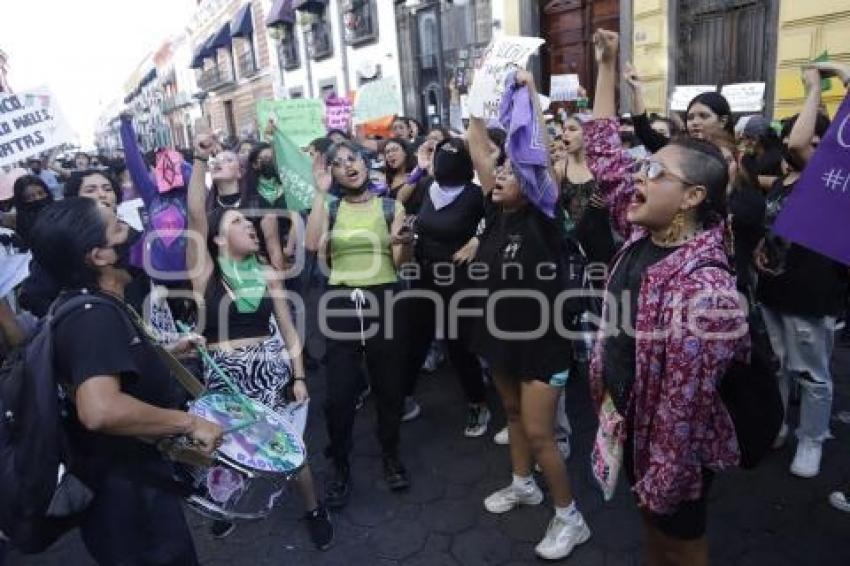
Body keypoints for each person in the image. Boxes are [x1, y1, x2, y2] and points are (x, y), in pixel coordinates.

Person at [589, 29, 748, 566]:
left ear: (692, 196)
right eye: (643, 167)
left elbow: (685, 408)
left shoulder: (705, 292)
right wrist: (607, 66)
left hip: (669, 448)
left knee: (681, 543)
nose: (638, 175)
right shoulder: (641, 233)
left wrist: (665, 476)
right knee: (653, 537)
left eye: (656, 172)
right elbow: (605, 152)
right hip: (629, 422)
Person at [28, 197, 223, 566]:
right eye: (118, 226)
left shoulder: (92, 304)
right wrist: (189, 422)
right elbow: (100, 409)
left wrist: (163, 350)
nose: (134, 232)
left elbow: (107, 363)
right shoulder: (92, 317)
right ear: (99, 256)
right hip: (129, 499)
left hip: (134, 487)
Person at [187, 130, 333, 548]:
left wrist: (299, 375)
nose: (249, 226)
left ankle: (313, 509)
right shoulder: (204, 275)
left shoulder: (268, 273)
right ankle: (224, 504)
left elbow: (288, 330)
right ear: (216, 238)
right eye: (237, 222)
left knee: (289, 449)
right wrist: (200, 163)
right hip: (226, 385)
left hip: (272, 378)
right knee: (229, 449)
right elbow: (197, 213)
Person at [467, 69, 590, 560]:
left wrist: (529, 92)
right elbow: (480, 150)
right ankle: (523, 486)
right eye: (500, 172)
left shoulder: (544, 218)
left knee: (542, 434)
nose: (500, 176)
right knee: (513, 414)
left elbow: (534, 155)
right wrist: (476, 98)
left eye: (510, 173)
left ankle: (570, 518)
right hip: (498, 337)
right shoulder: (497, 213)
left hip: (543, 341)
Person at [305, 140, 414, 508]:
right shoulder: (332, 207)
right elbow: (311, 243)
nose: (348, 166)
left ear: (366, 164)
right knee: (339, 392)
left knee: (389, 386)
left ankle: (392, 454)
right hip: (342, 300)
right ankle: (340, 463)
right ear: (332, 174)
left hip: (384, 296)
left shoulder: (390, 206)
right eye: (338, 164)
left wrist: (406, 243)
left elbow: (399, 263)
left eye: (353, 159)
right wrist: (319, 195)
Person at [755, 65, 849, 479]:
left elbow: (796, 141)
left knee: (811, 373)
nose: (799, 142)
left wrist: (817, 86)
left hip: (812, 294)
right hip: (773, 291)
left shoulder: (828, 178)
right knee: (776, 364)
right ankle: (776, 422)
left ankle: (812, 439)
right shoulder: (783, 182)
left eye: (812, 135)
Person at [401, 137, 490, 436]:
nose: (445, 162)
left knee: (459, 345)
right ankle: (404, 398)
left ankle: (478, 403)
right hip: (424, 276)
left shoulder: (476, 195)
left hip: (458, 280)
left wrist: (478, 241)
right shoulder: (428, 187)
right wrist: (419, 166)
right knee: (414, 339)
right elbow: (399, 199)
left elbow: (499, 221)